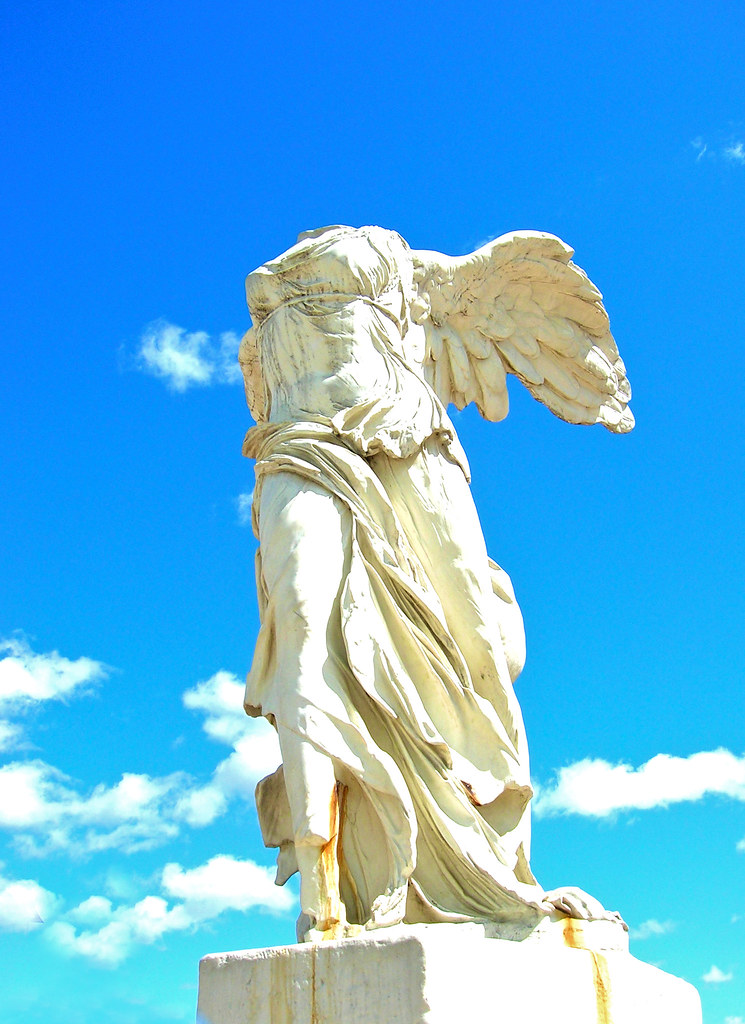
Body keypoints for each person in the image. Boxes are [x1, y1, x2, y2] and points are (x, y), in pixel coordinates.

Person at [239, 224, 630, 940]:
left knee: (471, 642)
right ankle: (323, 896)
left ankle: (498, 867)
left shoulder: (405, 261)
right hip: (298, 449)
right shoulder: (266, 289)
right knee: (302, 634)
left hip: (406, 439)